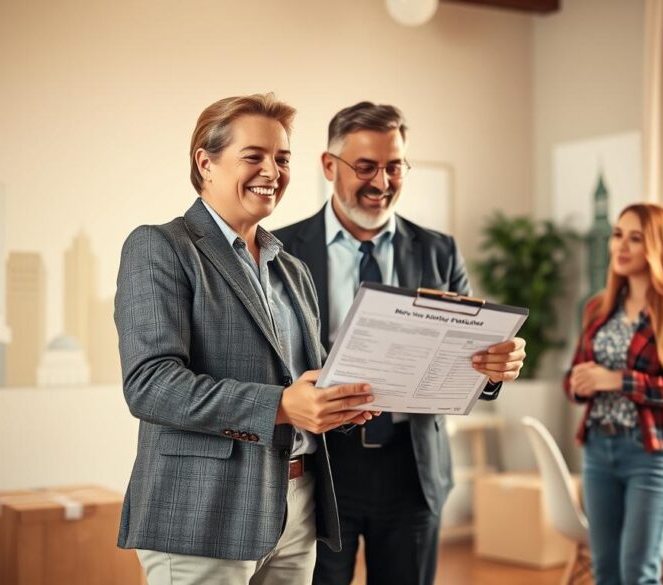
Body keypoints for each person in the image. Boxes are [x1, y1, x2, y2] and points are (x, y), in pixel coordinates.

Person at [114, 93, 379, 585]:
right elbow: (151, 384)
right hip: (202, 511)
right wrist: (282, 405)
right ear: (205, 163)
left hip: (297, 506)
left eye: (281, 158)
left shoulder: (292, 269)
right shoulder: (161, 247)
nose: (272, 171)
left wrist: (339, 403)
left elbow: (307, 386)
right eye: (253, 156)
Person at [274, 102, 527, 585]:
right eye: (366, 167)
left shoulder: (439, 250)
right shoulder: (281, 250)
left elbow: (471, 358)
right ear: (329, 166)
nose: (382, 182)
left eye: (394, 166)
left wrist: (495, 367)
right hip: (323, 464)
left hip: (411, 468)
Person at [564, 203, 663, 585]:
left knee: (638, 576)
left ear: (658, 247)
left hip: (654, 455)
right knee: (605, 574)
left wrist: (620, 381)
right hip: (599, 451)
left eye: (635, 238)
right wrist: (580, 383)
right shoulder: (598, 308)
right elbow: (576, 377)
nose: (621, 246)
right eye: (617, 235)